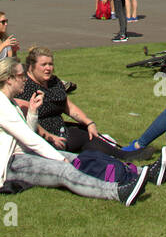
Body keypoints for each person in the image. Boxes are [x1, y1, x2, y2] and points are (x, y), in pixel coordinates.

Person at [0, 58, 155, 205]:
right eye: (21, 75)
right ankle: (117, 193)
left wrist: (31, 111)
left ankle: (141, 173)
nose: (25, 78)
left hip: (22, 155)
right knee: (64, 170)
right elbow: (30, 139)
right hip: (9, 166)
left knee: (78, 159)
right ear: (9, 79)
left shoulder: (10, 102)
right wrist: (59, 158)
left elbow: (27, 134)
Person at [16, 46, 148, 159]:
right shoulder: (25, 86)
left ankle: (117, 154)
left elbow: (68, 106)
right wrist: (49, 136)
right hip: (42, 135)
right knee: (84, 138)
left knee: (87, 132)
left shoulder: (53, 81)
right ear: (31, 67)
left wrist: (88, 122)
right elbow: (25, 118)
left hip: (59, 127)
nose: (48, 68)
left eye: (50, 64)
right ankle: (123, 156)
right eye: (43, 65)